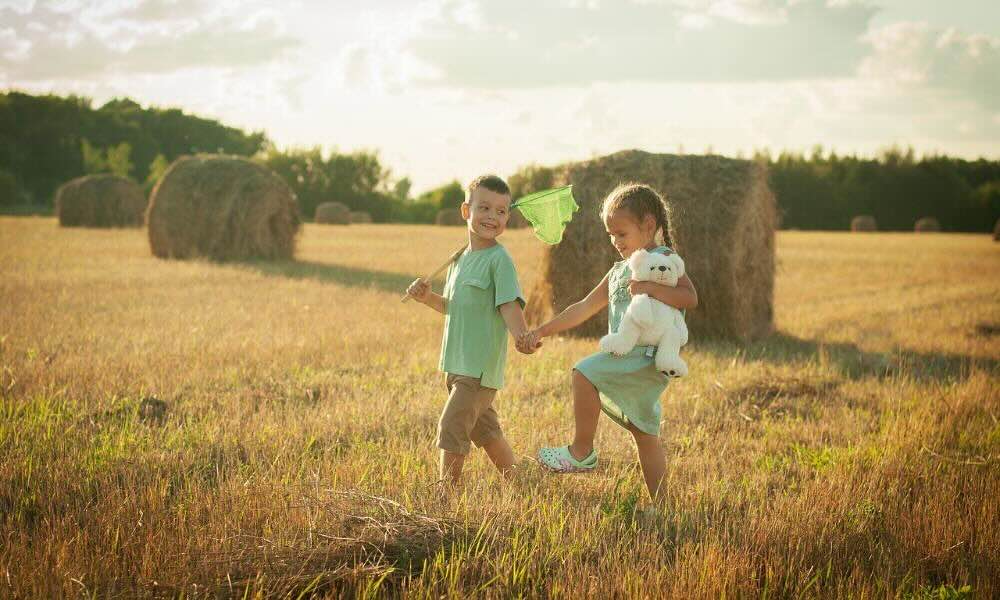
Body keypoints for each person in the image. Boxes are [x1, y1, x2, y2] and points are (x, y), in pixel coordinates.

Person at [518, 183, 698, 502]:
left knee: (584, 373)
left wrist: (649, 289)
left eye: (621, 233)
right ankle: (663, 505)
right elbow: (584, 307)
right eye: (610, 235)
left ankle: (581, 451)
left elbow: (689, 297)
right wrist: (542, 330)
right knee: (645, 435)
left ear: (648, 225)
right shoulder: (618, 271)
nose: (615, 241)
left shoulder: (662, 259)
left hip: (645, 355)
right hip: (632, 356)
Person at [406, 174, 536, 485]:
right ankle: (518, 481)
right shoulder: (458, 259)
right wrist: (427, 298)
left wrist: (521, 335)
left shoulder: (499, 260)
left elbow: (508, 305)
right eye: (485, 208)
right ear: (466, 211)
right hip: (455, 364)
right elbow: (454, 307)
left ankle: (445, 498)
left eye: (501, 211)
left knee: (452, 426)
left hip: (478, 368)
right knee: (485, 430)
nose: (493, 217)